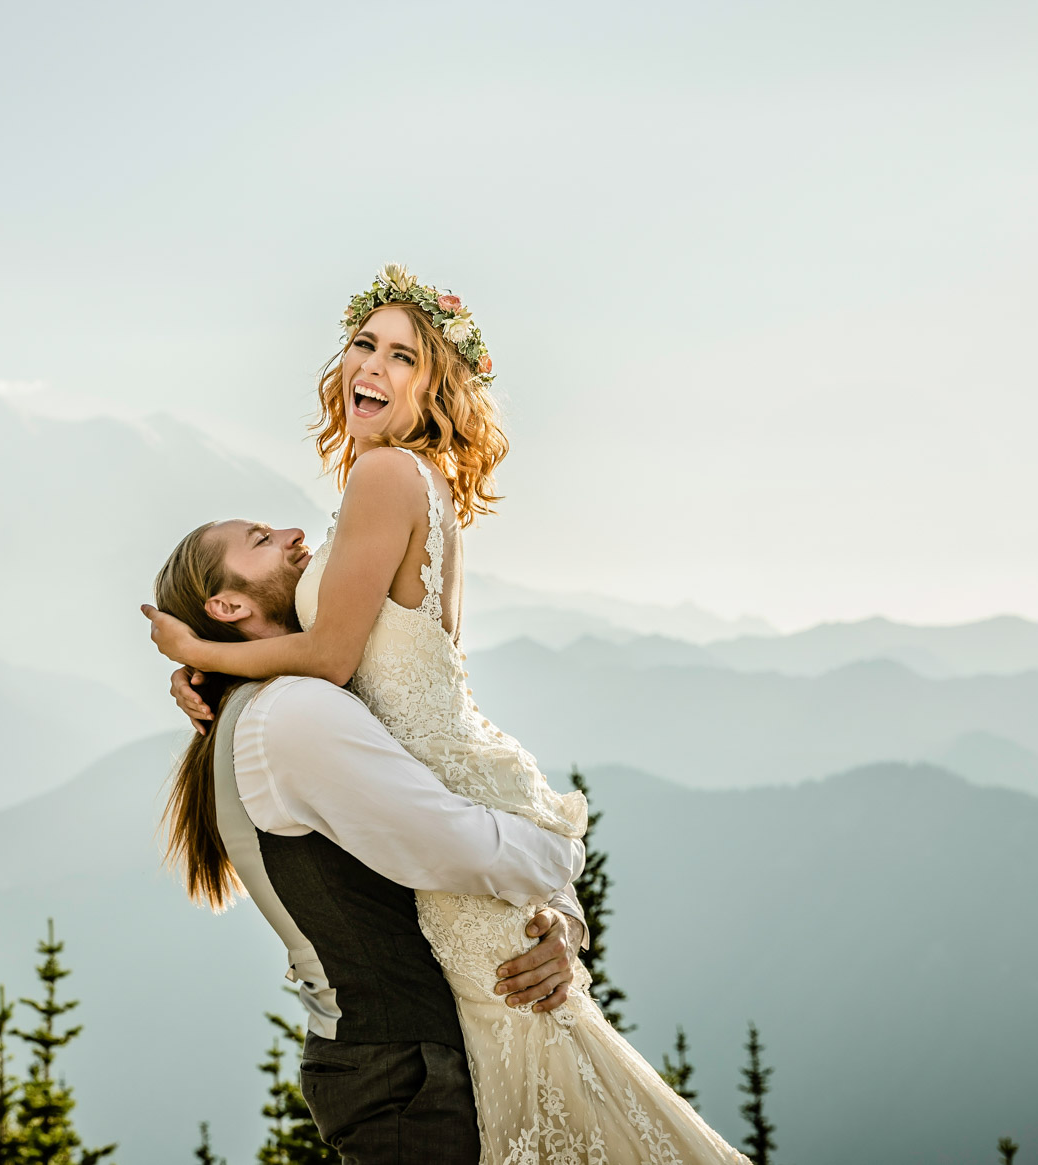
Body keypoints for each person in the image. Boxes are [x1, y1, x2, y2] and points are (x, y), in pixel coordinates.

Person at [144, 265, 747, 1163]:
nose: (374, 367)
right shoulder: (399, 487)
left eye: (404, 357)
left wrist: (201, 655)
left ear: (435, 387)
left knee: (542, 1089)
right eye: (364, 345)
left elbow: (331, 656)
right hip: (453, 820)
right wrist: (213, 690)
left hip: (451, 837)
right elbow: (329, 675)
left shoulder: (384, 475)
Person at [151, 519, 589, 1164]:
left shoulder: (292, 702)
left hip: (411, 1063)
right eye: (261, 539)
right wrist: (564, 851)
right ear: (229, 606)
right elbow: (461, 847)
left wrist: (563, 922)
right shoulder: (292, 714)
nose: (293, 530)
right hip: (405, 1077)